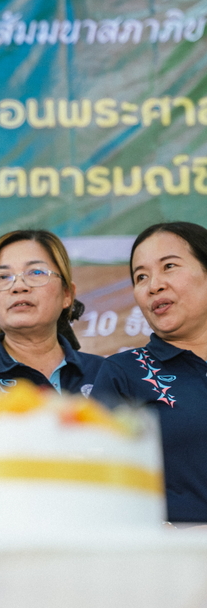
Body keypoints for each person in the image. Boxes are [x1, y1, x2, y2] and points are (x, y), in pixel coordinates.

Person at [92, 221, 207, 524]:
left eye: (169, 266)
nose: (154, 285)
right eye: (141, 276)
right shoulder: (123, 373)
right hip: (179, 549)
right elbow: (104, 489)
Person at [0, 229, 103, 395]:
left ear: (67, 294)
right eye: (2, 277)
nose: (18, 286)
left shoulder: (105, 373)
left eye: (36, 272)